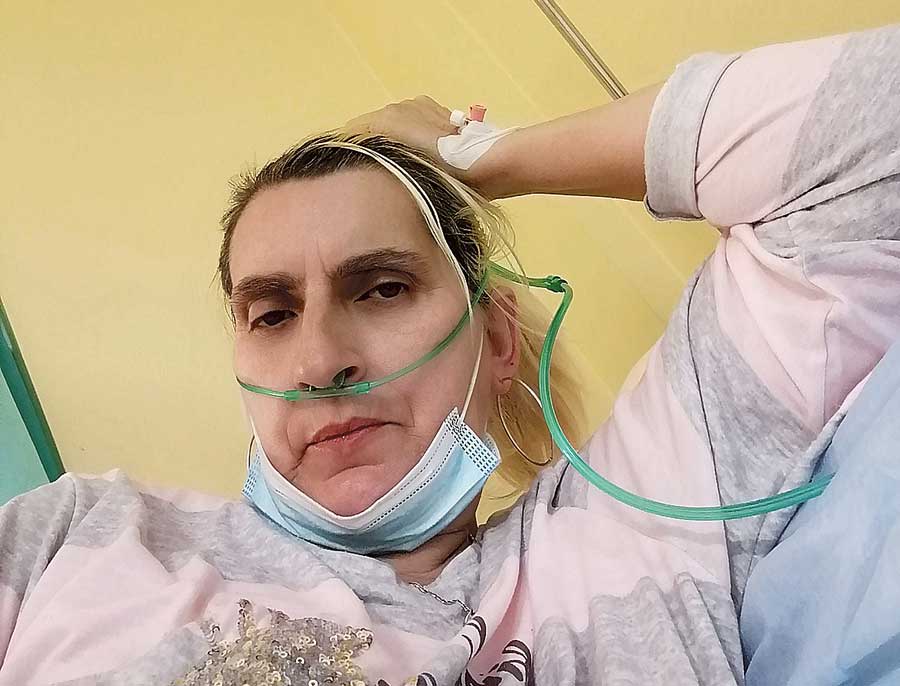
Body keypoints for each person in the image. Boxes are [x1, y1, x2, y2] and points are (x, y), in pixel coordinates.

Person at [1, 22, 898, 686]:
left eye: (382, 288)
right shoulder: (79, 536)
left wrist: (490, 154)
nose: (319, 362)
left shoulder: (635, 529)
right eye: (271, 314)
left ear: (498, 339)